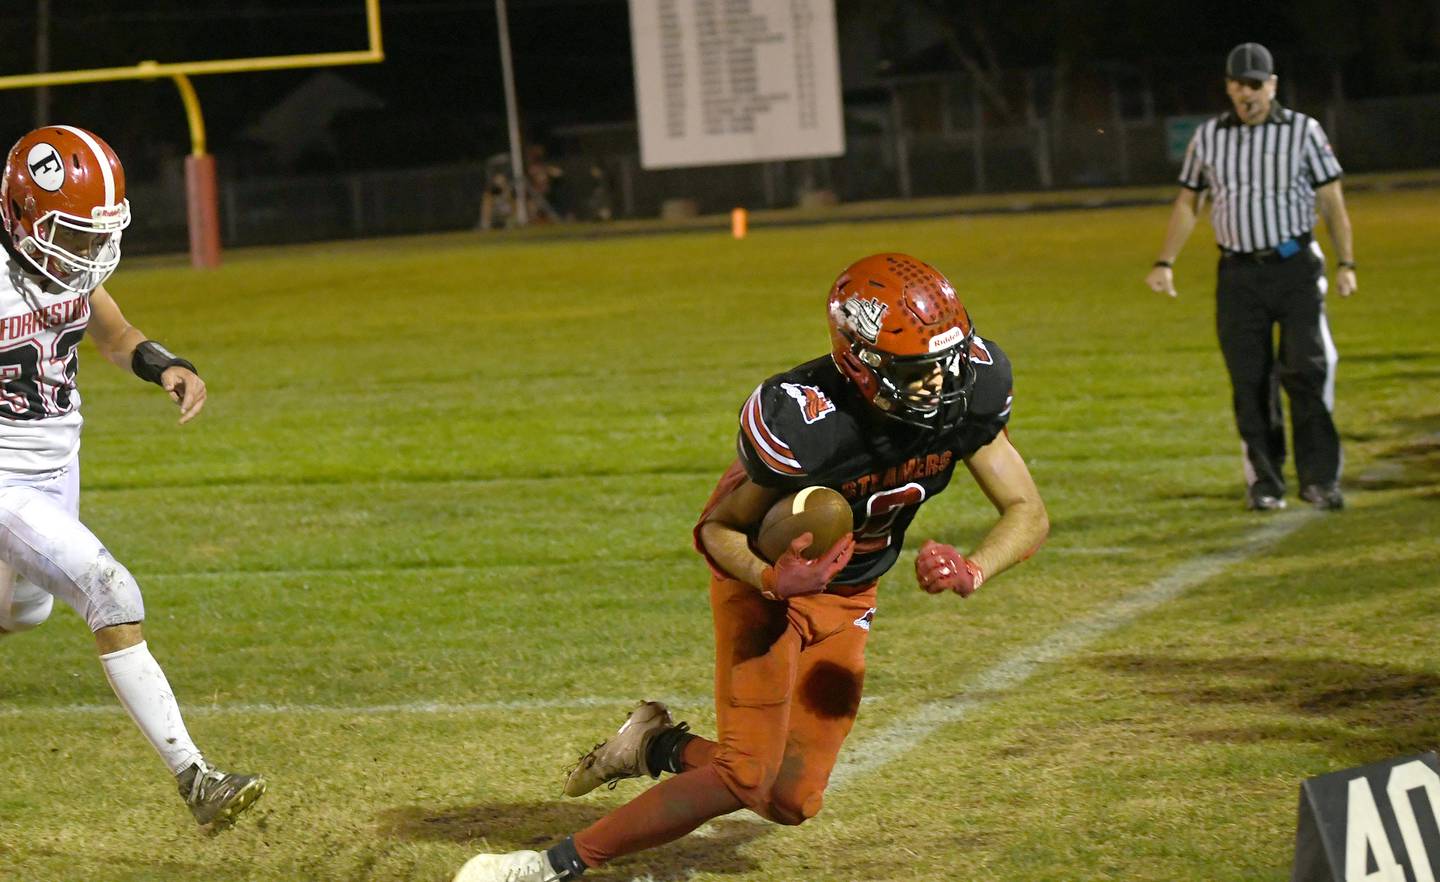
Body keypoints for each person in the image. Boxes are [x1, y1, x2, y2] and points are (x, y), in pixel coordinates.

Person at [453, 253, 1050, 882]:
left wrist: (974, 568)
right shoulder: (807, 420)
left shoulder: (970, 391)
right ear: (861, 362)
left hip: (848, 594)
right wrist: (772, 580)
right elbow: (717, 531)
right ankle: (549, 866)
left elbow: (1026, 510)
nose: (943, 380)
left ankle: (653, 746)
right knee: (746, 772)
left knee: (792, 800)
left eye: (949, 358)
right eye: (919, 368)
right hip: (763, 587)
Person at [0, 125, 265, 829]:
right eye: (71, 232)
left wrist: (167, 366)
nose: (85, 250)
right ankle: (197, 778)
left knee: (19, 614)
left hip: (57, 463)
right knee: (108, 587)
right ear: (21, 213)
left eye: (94, 233)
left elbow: (112, 333)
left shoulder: (64, 268)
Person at [1145, 42, 1357, 512]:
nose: (1248, 94)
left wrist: (1347, 263)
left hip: (1296, 267)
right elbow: (1188, 201)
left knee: (1305, 369)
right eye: (1239, 84)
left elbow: (1332, 200)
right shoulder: (1210, 137)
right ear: (1228, 86)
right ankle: (1265, 480)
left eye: (1256, 84)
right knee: (1249, 379)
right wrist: (1165, 262)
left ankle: (1320, 478)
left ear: (1273, 85)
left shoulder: (1304, 132)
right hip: (1239, 273)